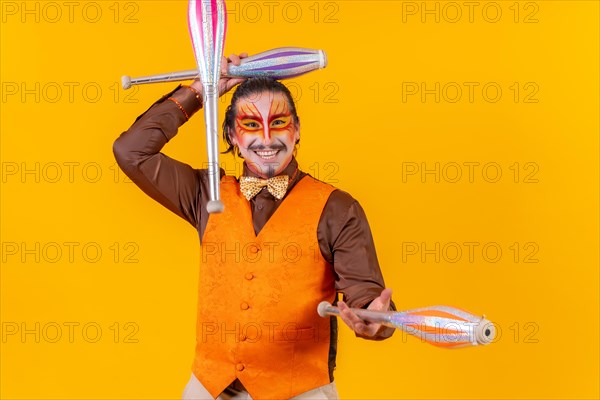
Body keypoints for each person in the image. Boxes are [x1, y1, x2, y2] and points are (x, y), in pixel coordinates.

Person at [113, 53, 395, 400]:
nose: (266, 138)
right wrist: (201, 91)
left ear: (297, 130)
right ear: (231, 135)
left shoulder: (338, 208)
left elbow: (368, 300)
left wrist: (375, 322)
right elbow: (131, 151)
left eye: (278, 123)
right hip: (208, 389)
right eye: (250, 124)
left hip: (299, 392)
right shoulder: (206, 194)